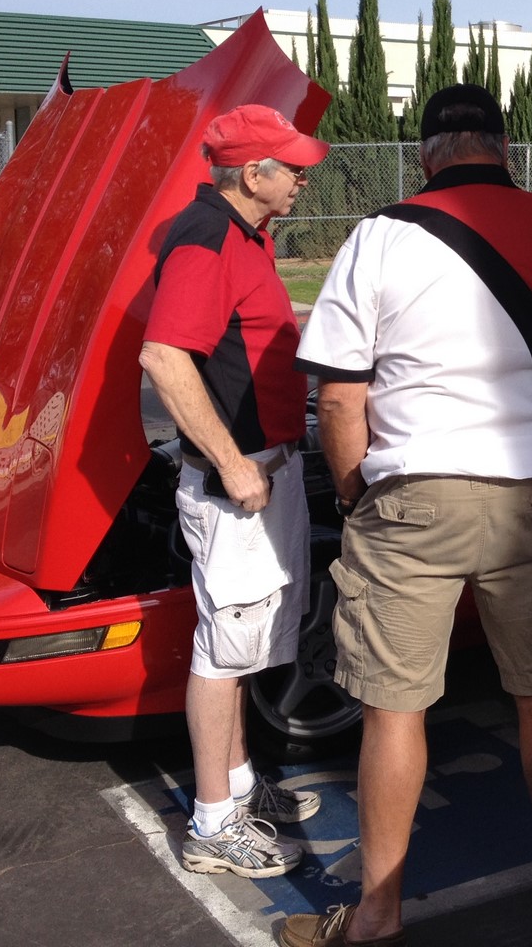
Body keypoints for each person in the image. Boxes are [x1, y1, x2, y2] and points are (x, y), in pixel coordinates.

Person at [281, 84, 532, 947]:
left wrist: (352, 491)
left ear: (425, 157)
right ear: (505, 149)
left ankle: (378, 912)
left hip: (413, 492)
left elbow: (339, 394)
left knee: (394, 711)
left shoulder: (377, 236)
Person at [139, 104, 327, 879]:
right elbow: (164, 355)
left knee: (245, 644)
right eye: (292, 169)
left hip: (263, 471)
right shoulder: (209, 236)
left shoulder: (245, 232)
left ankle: (241, 788)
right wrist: (234, 461)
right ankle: (214, 825)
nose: (302, 181)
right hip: (237, 486)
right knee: (222, 653)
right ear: (253, 174)